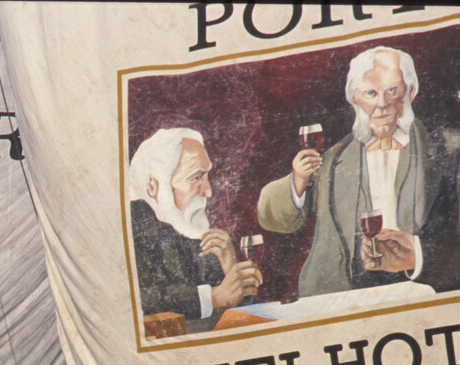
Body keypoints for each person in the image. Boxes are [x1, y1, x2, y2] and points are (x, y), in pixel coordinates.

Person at [257, 46, 458, 297]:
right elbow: (272, 218)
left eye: (392, 91)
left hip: (425, 290)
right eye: (371, 93)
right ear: (355, 98)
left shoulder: (450, 149)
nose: (382, 104)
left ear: (411, 91)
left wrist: (419, 254)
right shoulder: (335, 158)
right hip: (346, 296)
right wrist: (298, 180)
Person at [129, 127, 262, 320]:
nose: (208, 192)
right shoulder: (130, 227)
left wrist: (230, 270)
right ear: (152, 186)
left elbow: (235, 310)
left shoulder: (189, 225)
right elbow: (135, 299)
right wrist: (211, 298)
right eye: (196, 178)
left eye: (206, 176)